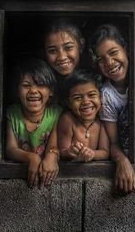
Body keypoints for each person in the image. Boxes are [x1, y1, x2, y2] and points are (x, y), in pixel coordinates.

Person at [89, 24, 135, 193]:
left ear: (126, 49)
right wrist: (122, 160)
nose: (109, 62)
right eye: (101, 59)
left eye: (114, 52)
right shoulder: (107, 95)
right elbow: (113, 142)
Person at [6, 58, 62, 188]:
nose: (33, 90)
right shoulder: (12, 113)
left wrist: (52, 157)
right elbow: (10, 149)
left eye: (41, 84)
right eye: (26, 85)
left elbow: (53, 147)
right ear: (17, 91)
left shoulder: (56, 114)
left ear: (51, 91)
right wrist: (32, 158)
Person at [57, 69, 109, 162]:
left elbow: (105, 152)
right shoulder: (68, 119)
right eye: (77, 98)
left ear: (100, 97)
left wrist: (92, 153)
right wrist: (70, 151)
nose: (85, 102)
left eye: (92, 95)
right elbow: (62, 152)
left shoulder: (102, 120)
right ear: (69, 103)